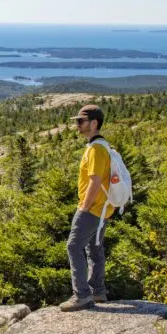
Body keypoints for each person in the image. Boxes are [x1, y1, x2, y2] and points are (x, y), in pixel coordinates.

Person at [59, 104, 115, 312]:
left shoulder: (97, 149)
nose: (77, 125)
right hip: (102, 209)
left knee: (73, 246)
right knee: (94, 248)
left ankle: (82, 295)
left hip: (92, 209)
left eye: (80, 122)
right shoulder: (100, 146)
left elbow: (94, 181)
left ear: (94, 123)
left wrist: (83, 208)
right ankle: (98, 291)